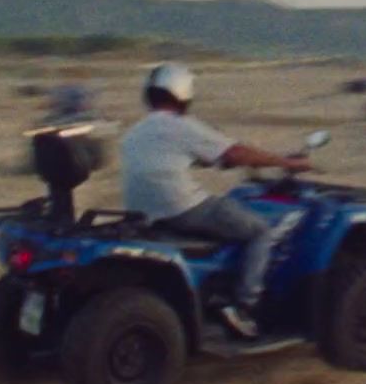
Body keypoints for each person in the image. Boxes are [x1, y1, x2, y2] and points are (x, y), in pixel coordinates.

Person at [118, 62, 310, 339]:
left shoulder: (135, 133)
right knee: (260, 232)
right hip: (182, 208)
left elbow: (172, 160)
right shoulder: (182, 126)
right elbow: (234, 153)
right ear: (183, 93)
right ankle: (244, 307)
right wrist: (285, 161)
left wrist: (220, 160)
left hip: (145, 214)